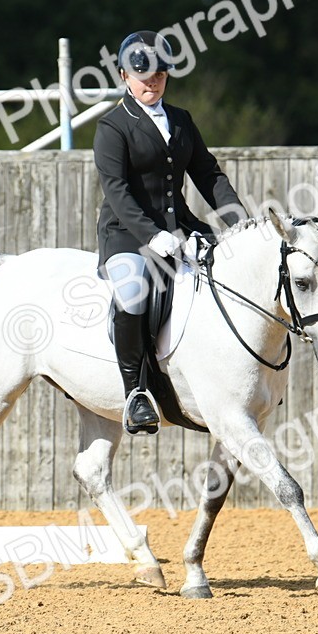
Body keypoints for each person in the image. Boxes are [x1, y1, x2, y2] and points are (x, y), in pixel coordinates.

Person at [94, 30, 249, 434]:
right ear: (125, 76)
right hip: (127, 235)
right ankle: (136, 394)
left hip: (181, 228)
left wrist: (239, 222)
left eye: (160, 75)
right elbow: (117, 190)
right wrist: (150, 235)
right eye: (143, 76)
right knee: (132, 294)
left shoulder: (181, 121)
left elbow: (209, 175)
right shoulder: (113, 127)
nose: (152, 83)